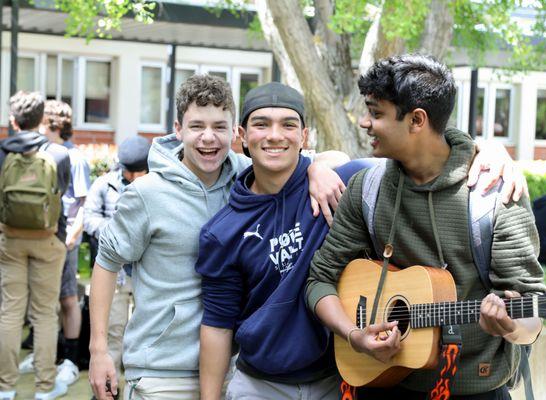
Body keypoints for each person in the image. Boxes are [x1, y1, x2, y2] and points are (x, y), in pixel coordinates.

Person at [88, 74, 347, 400]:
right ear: (178, 129)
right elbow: (106, 262)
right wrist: (99, 351)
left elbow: (301, 155)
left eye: (219, 127)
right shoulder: (146, 194)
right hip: (164, 370)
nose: (208, 138)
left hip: (236, 365)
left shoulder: (246, 173)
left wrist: (317, 168)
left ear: (235, 133)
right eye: (196, 126)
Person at [307, 54, 546, 399]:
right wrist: (353, 335)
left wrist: (511, 326)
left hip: (473, 391)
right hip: (382, 383)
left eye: (376, 113)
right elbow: (320, 280)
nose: (364, 122)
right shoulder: (367, 188)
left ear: (417, 120)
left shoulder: (495, 194)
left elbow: (532, 312)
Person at [0, 91, 71, 400]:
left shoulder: (2, 153)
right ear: (43, 120)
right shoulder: (59, 154)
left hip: (11, 239)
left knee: (10, 312)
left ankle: (6, 387)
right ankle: (44, 387)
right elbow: (61, 197)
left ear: (13, 121)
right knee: (44, 313)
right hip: (47, 240)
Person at [83, 135, 151, 381]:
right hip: (117, 273)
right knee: (114, 330)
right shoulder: (104, 183)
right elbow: (88, 217)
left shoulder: (159, 183)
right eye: (129, 172)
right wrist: (117, 233)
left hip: (147, 271)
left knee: (146, 331)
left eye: (139, 172)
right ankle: (110, 387)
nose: (133, 177)